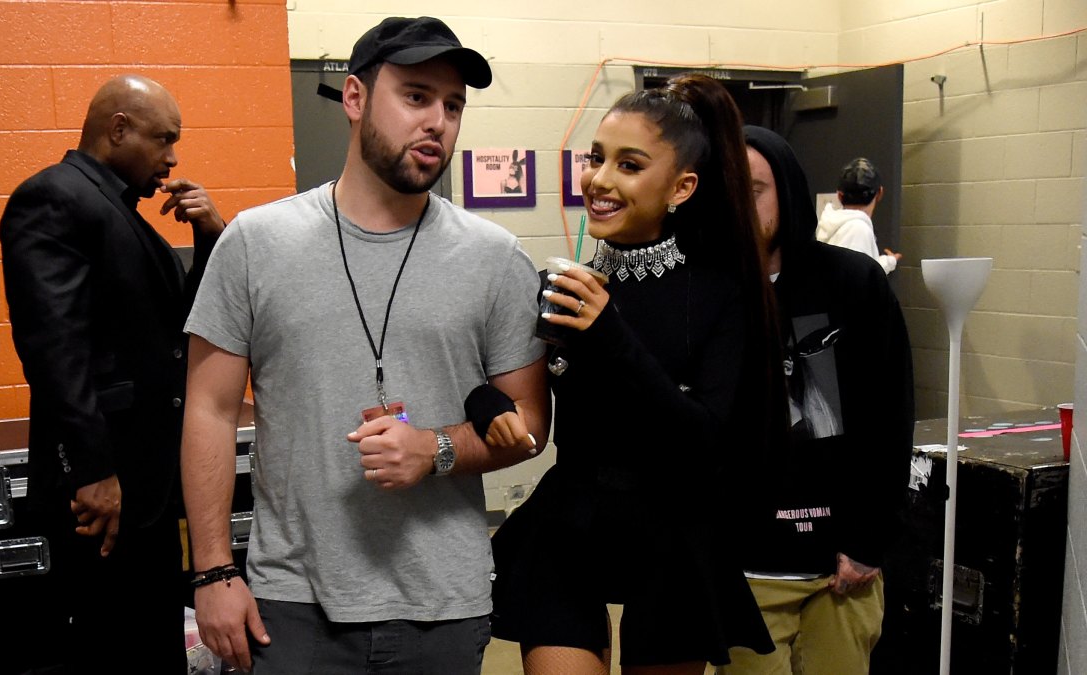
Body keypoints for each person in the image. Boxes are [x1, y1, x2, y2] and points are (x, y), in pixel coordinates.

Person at [179, 16, 550, 673]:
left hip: (442, 603)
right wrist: (211, 572)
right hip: (291, 605)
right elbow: (207, 410)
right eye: (416, 96)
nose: (438, 120)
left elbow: (528, 423)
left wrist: (435, 448)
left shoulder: (496, 259)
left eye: (454, 105)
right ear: (354, 98)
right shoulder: (256, 243)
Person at [488, 74, 781, 674]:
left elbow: (703, 436)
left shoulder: (721, 292)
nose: (599, 179)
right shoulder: (568, 286)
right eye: (597, 158)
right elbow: (529, 405)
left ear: (682, 186)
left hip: (672, 533)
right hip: (569, 524)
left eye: (629, 164)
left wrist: (610, 335)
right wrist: (481, 404)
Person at [0, 74, 226, 672]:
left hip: (144, 486)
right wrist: (94, 472)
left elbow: (179, 330)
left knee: (149, 641)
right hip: (104, 491)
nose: (173, 158)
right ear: (117, 128)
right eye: (163, 138)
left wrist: (211, 241)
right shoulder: (53, 197)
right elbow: (53, 349)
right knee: (114, 648)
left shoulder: (116, 209)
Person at [719, 127, 915, 675]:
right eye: (726, 188)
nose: (738, 202)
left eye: (754, 188)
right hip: (747, 572)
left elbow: (890, 415)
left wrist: (872, 541)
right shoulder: (709, 292)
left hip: (840, 572)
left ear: (786, 188)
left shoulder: (853, 281)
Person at [815, 157, 902, 274]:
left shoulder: (830, 225)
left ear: (839, 196)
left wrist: (888, 262)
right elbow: (857, 281)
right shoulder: (859, 230)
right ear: (880, 193)